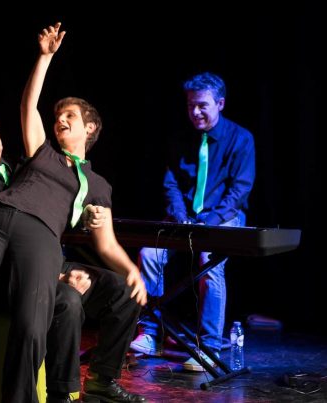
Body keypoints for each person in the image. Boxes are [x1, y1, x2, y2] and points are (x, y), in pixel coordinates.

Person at [0, 22, 147, 403]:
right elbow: (28, 105)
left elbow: (106, 244)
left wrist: (131, 270)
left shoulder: (98, 185)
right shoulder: (42, 152)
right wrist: (44, 58)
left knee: (32, 326)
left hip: (38, 234)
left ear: (90, 128)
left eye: (69, 116)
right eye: (58, 116)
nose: (60, 120)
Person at [0, 103, 147, 402]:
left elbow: (52, 209)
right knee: (67, 299)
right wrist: (58, 277)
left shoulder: (20, 167)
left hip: (42, 264)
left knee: (123, 290)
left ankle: (102, 380)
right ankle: (60, 394)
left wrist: (86, 216)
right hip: (1, 280)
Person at [130, 72, 255, 371]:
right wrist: (181, 217)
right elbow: (171, 184)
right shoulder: (180, 139)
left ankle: (208, 346)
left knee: (208, 259)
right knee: (150, 254)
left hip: (222, 217)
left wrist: (209, 222)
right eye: (190, 106)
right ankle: (150, 333)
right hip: (185, 218)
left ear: (220, 104)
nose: (195, 112)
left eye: (202, 105)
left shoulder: (241, 138)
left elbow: (239, 190)